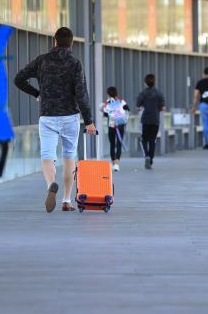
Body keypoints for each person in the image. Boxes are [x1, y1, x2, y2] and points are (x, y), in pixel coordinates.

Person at [14, 27, 96, 213]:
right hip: (70, 117)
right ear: (71, 43)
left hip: (48, 116)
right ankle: (67, 200)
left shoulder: (42, 60)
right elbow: (81, 94)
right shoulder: (75, 63)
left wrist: (37, 93)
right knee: (69, 157)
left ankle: (51, 184)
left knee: (47, 156)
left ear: (54, 41)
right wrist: (89, 120)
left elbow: (19, 79)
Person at [136, 74, 165, 170]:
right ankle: (151, 159)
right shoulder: (158, 93)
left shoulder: (143, 93)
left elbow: (138, 104)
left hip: (146, 119)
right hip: (155, 119)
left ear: (145, 82)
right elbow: (163, 107)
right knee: (152, 140)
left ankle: (147, 155)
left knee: (144, 139)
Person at [101, 87, 130, 172]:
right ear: (116, 93)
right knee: (119, 143)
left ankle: (114, 162)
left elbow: (105, 115)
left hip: (112, 124)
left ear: (108, 94)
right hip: (120, 124)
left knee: (112, 144)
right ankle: (117, 162)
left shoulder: (107, 103)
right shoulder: (121, 102)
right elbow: (127, 109)